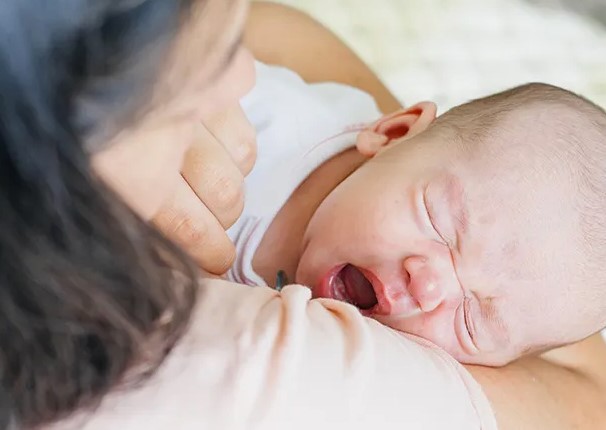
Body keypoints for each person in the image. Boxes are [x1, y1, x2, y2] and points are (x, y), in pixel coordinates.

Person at [0, 1, 602, 430]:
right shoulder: (261, 121)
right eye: (439, 218)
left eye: (473, 321)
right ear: (389, 132)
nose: (431, 283)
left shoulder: (395, 374)